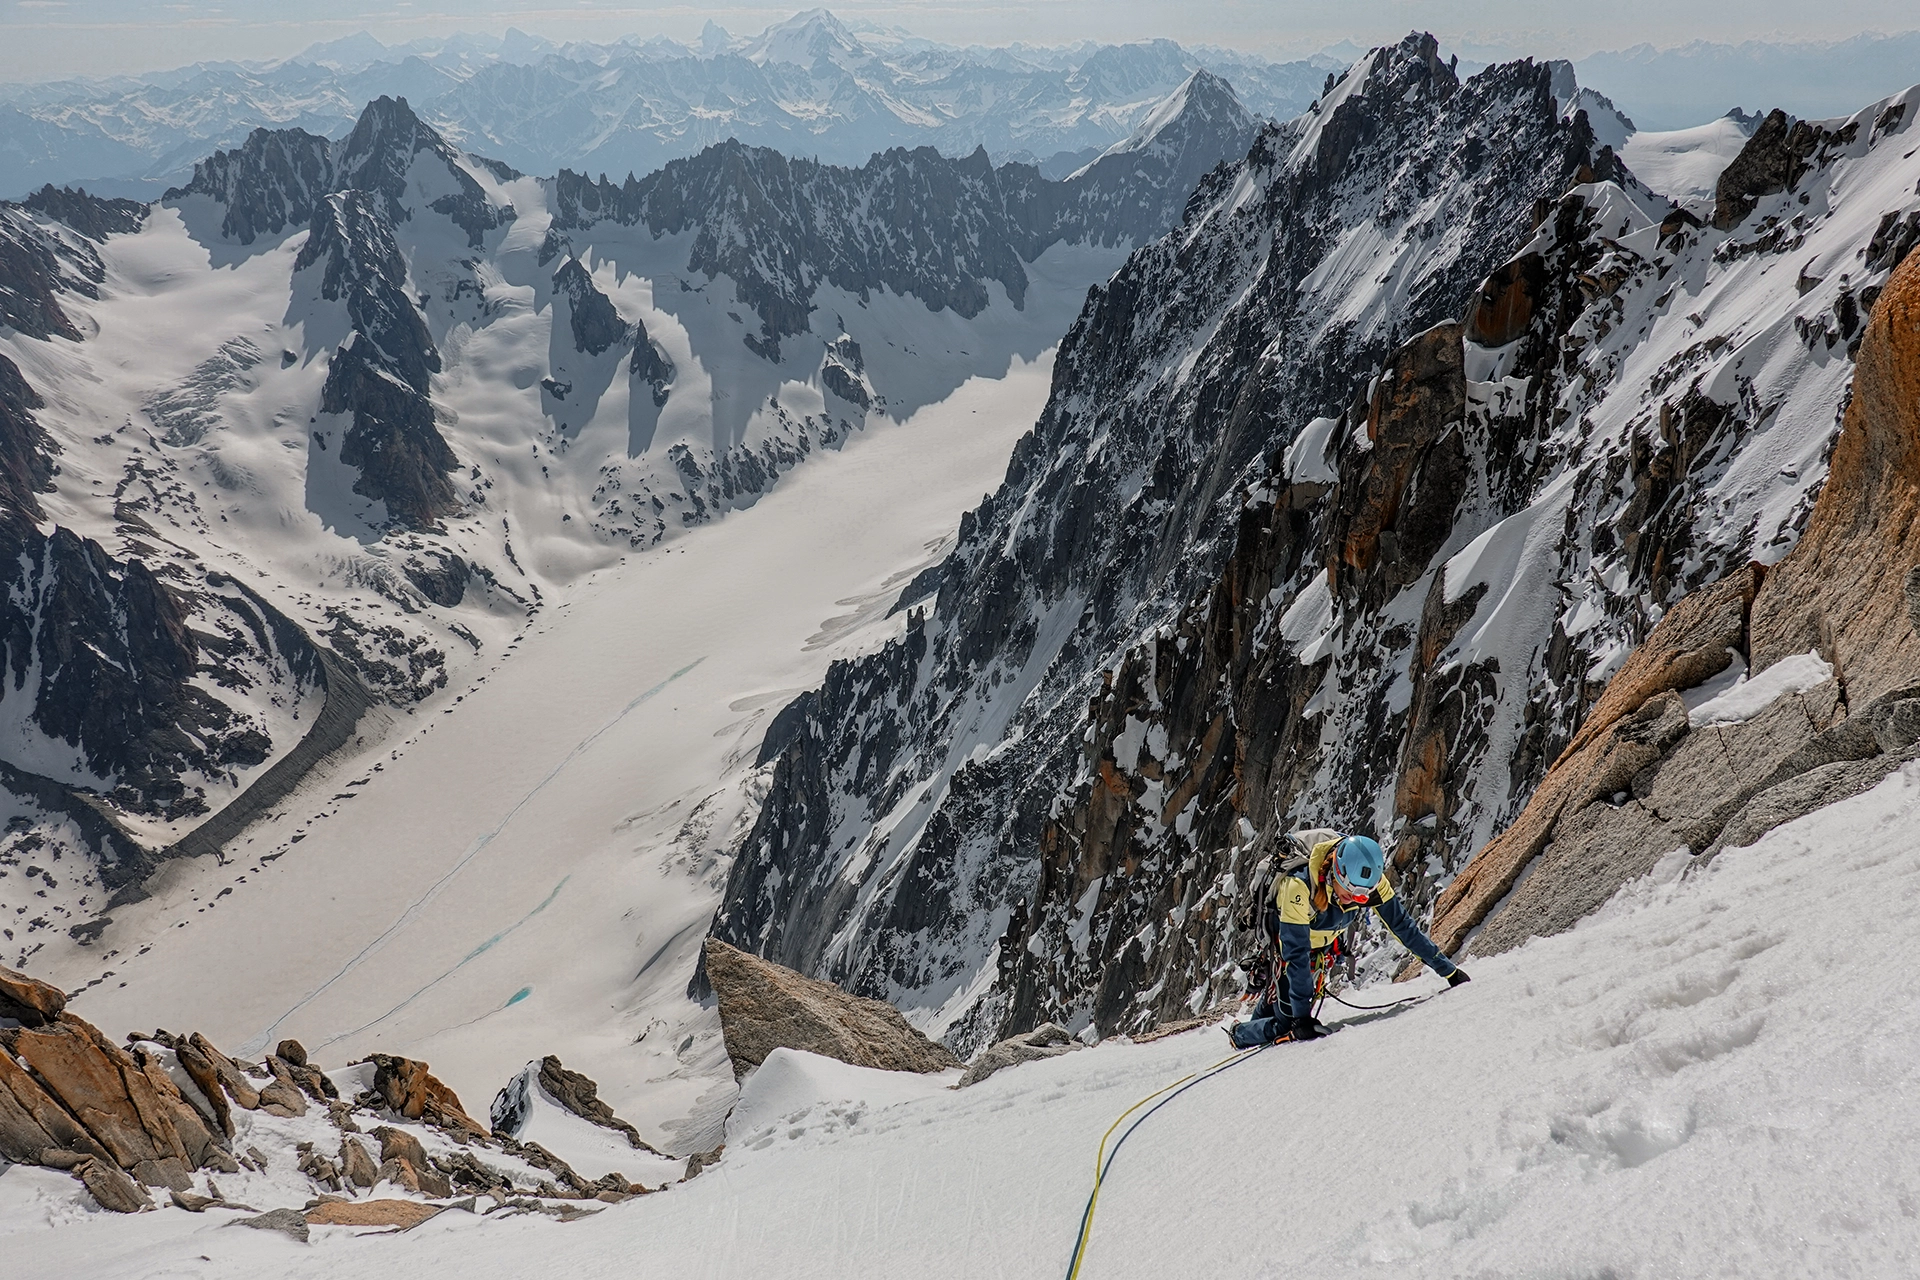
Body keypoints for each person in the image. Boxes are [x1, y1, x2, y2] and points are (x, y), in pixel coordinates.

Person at [1229, 828, 1468, 1048]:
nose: (1353, 900)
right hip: (1289, 947)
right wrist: (1301, 1018)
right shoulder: (1298, 885)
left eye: (1361, 898)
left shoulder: (1370, 882)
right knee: (1286, 1024)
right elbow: (1296, 952)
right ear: (1335, 873)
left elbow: (1403, 927)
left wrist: (1448, 970)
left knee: (1287, 1009)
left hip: (1319, 946)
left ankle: (1264, 1013)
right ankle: (1239, 1035)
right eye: (1348, 893)